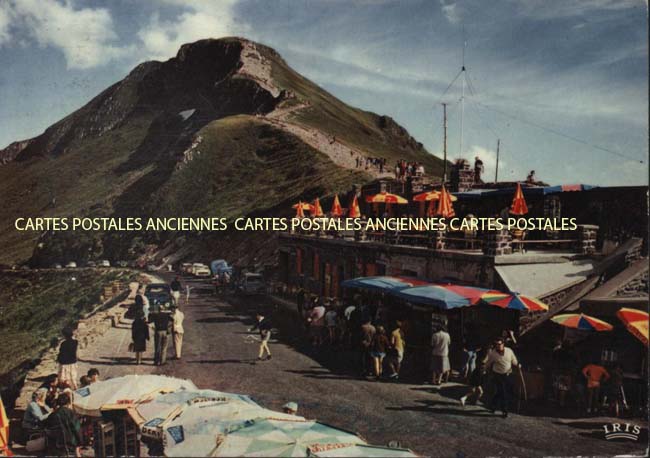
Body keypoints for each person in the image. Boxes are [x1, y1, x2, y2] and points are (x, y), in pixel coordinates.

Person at [483, 337, 520, 418]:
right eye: (496, 344)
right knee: (503, 392)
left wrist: (517, 364)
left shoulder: (509, 351)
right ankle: (504, 410)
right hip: (497, 374)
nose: (497, 346)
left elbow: (513, 360)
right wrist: (484, 369)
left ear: (503, 344)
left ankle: (492, 405)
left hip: (507, 374)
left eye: (499, 344)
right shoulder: (493, 353)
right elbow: (489, 362)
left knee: (501, 392)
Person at [46, 392, 82, 457]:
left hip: (56, 443)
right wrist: (80, 442)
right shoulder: (71, 413)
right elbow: (76, 428)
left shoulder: (53, 414)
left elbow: (47, 427)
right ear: (68, 402)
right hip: (70, 443)